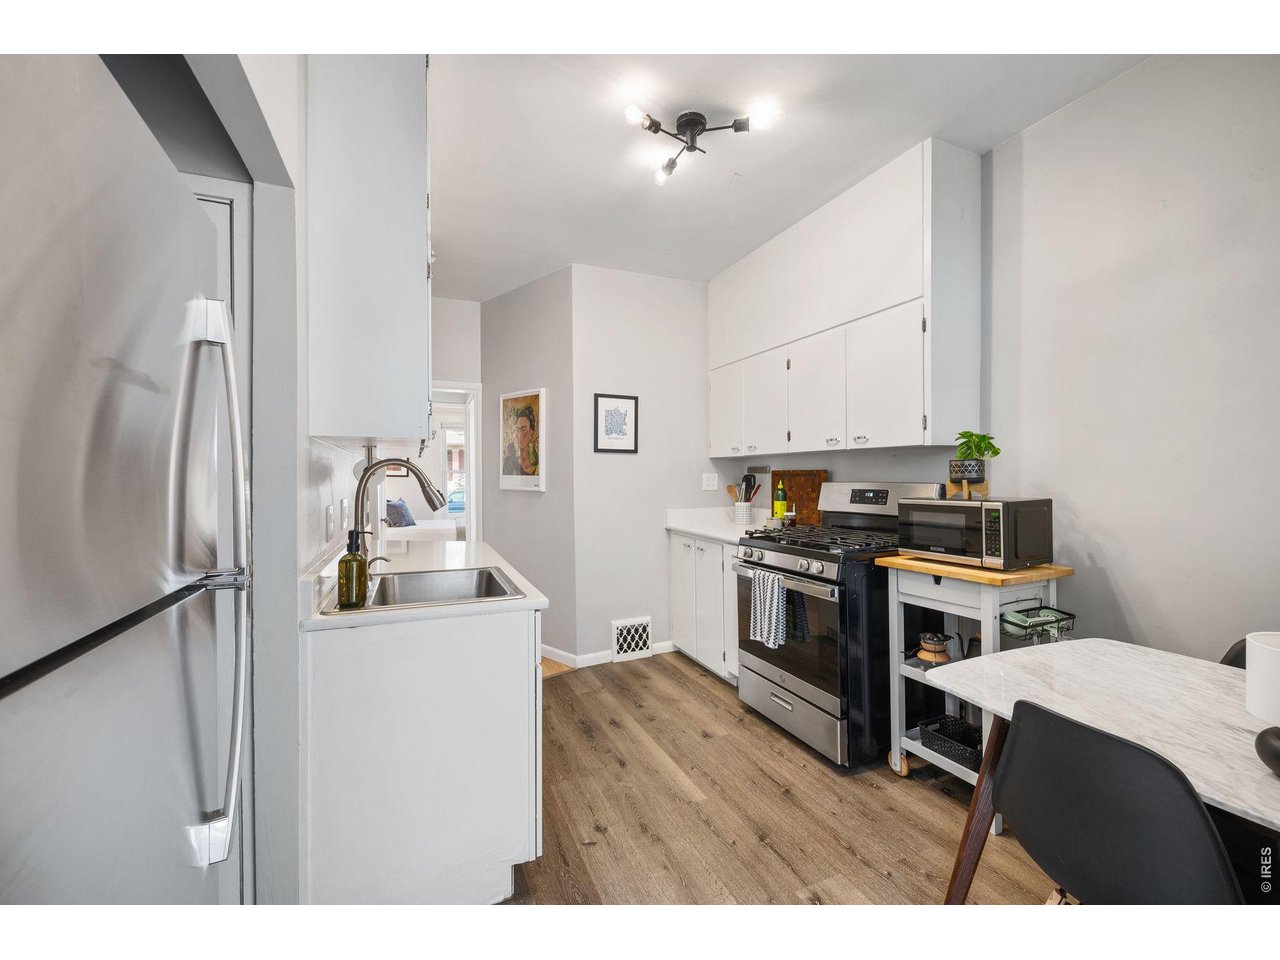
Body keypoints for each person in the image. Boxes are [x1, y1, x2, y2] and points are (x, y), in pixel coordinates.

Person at [503, 404, 538, 476]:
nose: (519, 435)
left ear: (532, 433)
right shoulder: (509, 463)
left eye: (523, 430)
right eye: (517, 430)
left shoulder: (538, 465)